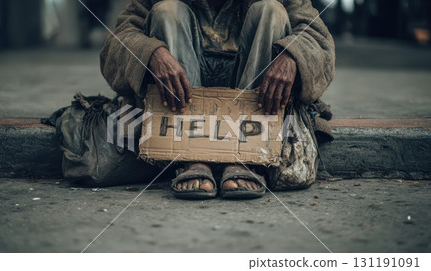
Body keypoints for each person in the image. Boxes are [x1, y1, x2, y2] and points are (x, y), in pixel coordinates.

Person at [100, 0, 335, 199]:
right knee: (167, 11)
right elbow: (117, 41)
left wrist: (292, 55)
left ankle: (244, 159)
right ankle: (191, 159)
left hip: (251, 89)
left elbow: (318, 39)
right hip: (183, 98)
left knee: (271, 10)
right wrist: (150, 52)